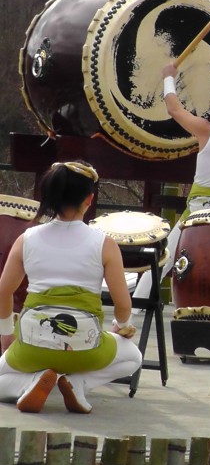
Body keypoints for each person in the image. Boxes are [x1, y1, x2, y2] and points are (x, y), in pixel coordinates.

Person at [0, 161, 142, 413]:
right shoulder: (104, 243)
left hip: (31, 346)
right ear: (89, 199)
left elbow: (3, 291)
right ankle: (77, 383)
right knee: (133, 357)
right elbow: (123, 303)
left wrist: (6, 334)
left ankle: (31, 382)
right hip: (86, 347)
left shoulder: (26, 239)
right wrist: (122, 326)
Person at [132, 63, 210, 303]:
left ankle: (135, 309)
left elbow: (174, 109)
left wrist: (168, 77)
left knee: (164, 257)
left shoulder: (207, 131)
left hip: (198, 211)